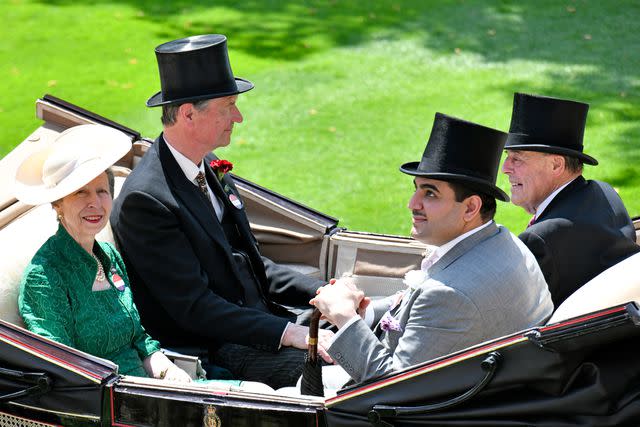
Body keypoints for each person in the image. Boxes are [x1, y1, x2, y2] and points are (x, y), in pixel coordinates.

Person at [110, 34, 332, 389]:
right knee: (342, 374)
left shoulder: (207, 165)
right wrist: (288, 332)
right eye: (228, 105)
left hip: (258, 324)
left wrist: (323, 292)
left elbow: (250, 263)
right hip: (216, 348)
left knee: (363, 331)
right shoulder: (146, 202)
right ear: (187, 114)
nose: (239, 116)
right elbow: (194, 308)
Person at [310, 113, 553, 386]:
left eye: (430, 193)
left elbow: (391, 386)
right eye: (416, 190)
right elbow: (428, 319)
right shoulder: (503, 242)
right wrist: (364, 313)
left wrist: (345, 317)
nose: (412, 204)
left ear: (471, 208)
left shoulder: (451, 293)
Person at [15, 124, 192, 382]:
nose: (94, 203)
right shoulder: (44, 277)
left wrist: (170, 372)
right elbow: (64, 373)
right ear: (58, 204)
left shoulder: (108, 254)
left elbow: (138, 339)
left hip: (152, 385)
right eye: (80, 192)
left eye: (101, 191)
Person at [502, 93, 640, 307]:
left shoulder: (539, 240)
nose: (505, 168)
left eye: (517, 159)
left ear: (556, 165)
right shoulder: (604, 192)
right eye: (507, 157)